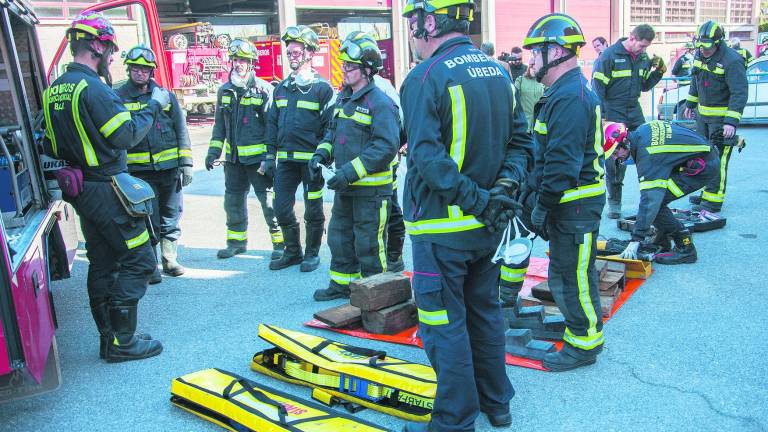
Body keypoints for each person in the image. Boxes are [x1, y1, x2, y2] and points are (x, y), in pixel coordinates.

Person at [400, 0, 533, 429]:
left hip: (443, 228)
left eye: (411, 23)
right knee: (485, 313)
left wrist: (479, 199)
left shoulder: (423, 77)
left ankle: (454, 421)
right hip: (488, 227)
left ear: (430, 22)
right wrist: (503, 191)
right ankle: (497, 405)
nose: (409, 32)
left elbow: (427, 159)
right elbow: (521, 144)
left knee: (444, 326)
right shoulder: (499, 72)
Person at [42, 12, 165, 362]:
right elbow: (125, 135)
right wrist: (153, 106)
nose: (112, 56)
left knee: (104, 262)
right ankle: (123, 343)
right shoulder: (94, 88)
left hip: (82, 191)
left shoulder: (55, 89)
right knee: (140, 260)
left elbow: (49, 145)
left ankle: (109, 337)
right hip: (109, 190)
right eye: (109, 48)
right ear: (96, 44)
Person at [522, 13, 606, 371]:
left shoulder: (569, 97)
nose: (530, 61)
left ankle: (584, 345)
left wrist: (541, 206)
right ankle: (580, 336)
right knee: (566, 273)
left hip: (575, 206)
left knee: (573, 277)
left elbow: (561, 163)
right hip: (569, 205)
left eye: (535, 53)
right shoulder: (563, 91)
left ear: (555, 51)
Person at [309, 32, 400, 301]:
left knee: (369, 244)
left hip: (371, 192)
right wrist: (320, 156)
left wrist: (349, 173)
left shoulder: (380, 103)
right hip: (346, 188)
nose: (345, 70)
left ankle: (377, 295)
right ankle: (342, 285)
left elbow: (385, 147)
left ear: (367, 69)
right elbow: (331, 134)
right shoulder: (343, 99)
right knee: (338, 239)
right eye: (344, 65)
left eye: (350, 66)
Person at [117, 45, 192, 282]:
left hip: (169, 170)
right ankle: (150, 266)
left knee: (171, 215)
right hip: (138, 172)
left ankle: (170, 260)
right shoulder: (118, 97)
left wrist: (186, 163)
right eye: (136, 68)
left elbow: (181, 129)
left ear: (152, 71)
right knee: (145, 218)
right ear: (129, 70)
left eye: (145, 69)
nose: (141, 73)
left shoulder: (165, 95)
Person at [266, 26, 335, 272]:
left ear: (310, 53)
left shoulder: (323, 89)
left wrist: (323, 157)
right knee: (281, 208)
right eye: (290, 52)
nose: (292, 55)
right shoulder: (282, 88)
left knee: (313, 209)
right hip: (285, 162)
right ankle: (292, 252)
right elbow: (272, 124)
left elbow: (331, 128)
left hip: (311, 163)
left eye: (297, 51)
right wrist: (268, 156)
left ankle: (312, 253)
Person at [205, 39, 282, 260]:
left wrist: (269, 157)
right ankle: (236, 243)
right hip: (234, 162)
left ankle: (280, 244)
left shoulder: (264, 90)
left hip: (258, 161)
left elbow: (271, 126)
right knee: (233, 203)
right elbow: (219, 125)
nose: (239, 64)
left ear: (252, 63)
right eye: (236, 60)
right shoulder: (225, 91)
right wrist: (213, 152)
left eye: (244, 61)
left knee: (268, 202)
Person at [603, 121, 720, 265]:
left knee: (656, 203)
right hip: (700, 156)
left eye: (615, 153)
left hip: (702, 167)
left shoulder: (648, 156)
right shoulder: (643, 130)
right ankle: (663, 239)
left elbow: (650, 201)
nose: (616, 158)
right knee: (657, 201)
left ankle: (685, 247)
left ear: (625, 142)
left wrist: (636, 239)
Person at [592, 24, 665, 219]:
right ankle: (615, 203)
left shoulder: (642, 58)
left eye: (646, 47)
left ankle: (651, 201)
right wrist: (602, 118)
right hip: (613, 112)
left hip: (634, 111)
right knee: (615, 161)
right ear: (632, 38)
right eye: (641, 46)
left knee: (648, 151)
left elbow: (644, 86)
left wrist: (658, 72)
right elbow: (597, 90)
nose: (644, 50)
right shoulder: (608, 56)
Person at [685, 21, 747, 214]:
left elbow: (739, 93)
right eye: (700, 45)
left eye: (708, 46)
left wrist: (731, 122)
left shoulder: (732, 60)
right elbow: (695, 79)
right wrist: (690, 103)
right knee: (703, 156)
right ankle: (706, 193)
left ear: (718, 43)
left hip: (721, 121)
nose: (703, 50)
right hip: (703, 118)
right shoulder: (699, 54)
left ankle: (713, 200)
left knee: (717, 159)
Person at [514, 56, 545, 132]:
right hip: (523, 125)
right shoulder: (520, 80)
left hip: (538, 126)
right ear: (529, 67)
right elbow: (513, 98)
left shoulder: (544, 82)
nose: (534, 68)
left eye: (537, 66)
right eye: (532, 65)